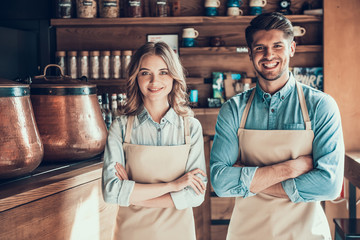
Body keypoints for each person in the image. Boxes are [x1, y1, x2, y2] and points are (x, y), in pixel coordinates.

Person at [210, 12, 344, 240]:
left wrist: (249, 179)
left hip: (305, 234)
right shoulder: (233, 110)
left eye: (277, 46)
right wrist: (289, 169)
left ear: (291, 48)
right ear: (250, 53)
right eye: (260, 48)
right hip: (246, 234)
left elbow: (329, 185)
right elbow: (221, 182)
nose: (268, 55)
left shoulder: (321, 106)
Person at [102, 41, 207, 240]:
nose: (154, 81)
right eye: (145, 73)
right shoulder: (121, 127)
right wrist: (173, 186)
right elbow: (111, 192)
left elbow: (195, 194)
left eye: (163, 72)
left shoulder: (191, 127)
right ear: (136, 77)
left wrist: (133, 196)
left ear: (174, 76)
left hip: (179, 234)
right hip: (131, 233)